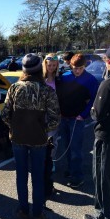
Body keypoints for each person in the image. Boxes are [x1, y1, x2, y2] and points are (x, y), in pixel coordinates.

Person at [1, 53, 60, 219]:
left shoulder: (14, 88)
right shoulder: (47, 90)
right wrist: (43, 130)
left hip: (18, 139)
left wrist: (16, 127)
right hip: (39, 140)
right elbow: (56, 118)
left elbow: (5, 115)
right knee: (38, 176)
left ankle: (23, 211)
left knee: (21, 175)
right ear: (39, 69)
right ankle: (37, 213)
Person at [83, 45, 110, 219]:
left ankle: (104, 215)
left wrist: (93, 110)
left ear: (108, 62)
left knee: (102, 177)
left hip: (107, 137)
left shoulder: (108, 84)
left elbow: (98, 113)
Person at [56, 53, 99, 188]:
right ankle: (70, 170)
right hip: (64, 117)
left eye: (80, 68)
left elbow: (94, 99)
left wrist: (84, 114)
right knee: (67, 146)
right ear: (71, 65)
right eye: (75, 68)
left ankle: (77, 176)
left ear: (84, 66)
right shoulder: (64, 77)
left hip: (77, 119)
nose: (77, 71)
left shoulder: (90, 80)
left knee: (76, 149)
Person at [42, 53, 61, 199]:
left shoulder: (59, 80)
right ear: (45, 65)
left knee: (53, 144)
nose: (51, 68)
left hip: (54, 117)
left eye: (54, 66)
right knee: (42, 144)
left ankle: (51, 170)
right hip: (42, 117)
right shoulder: (40, 80)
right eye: (49, 65)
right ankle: (43, 171)